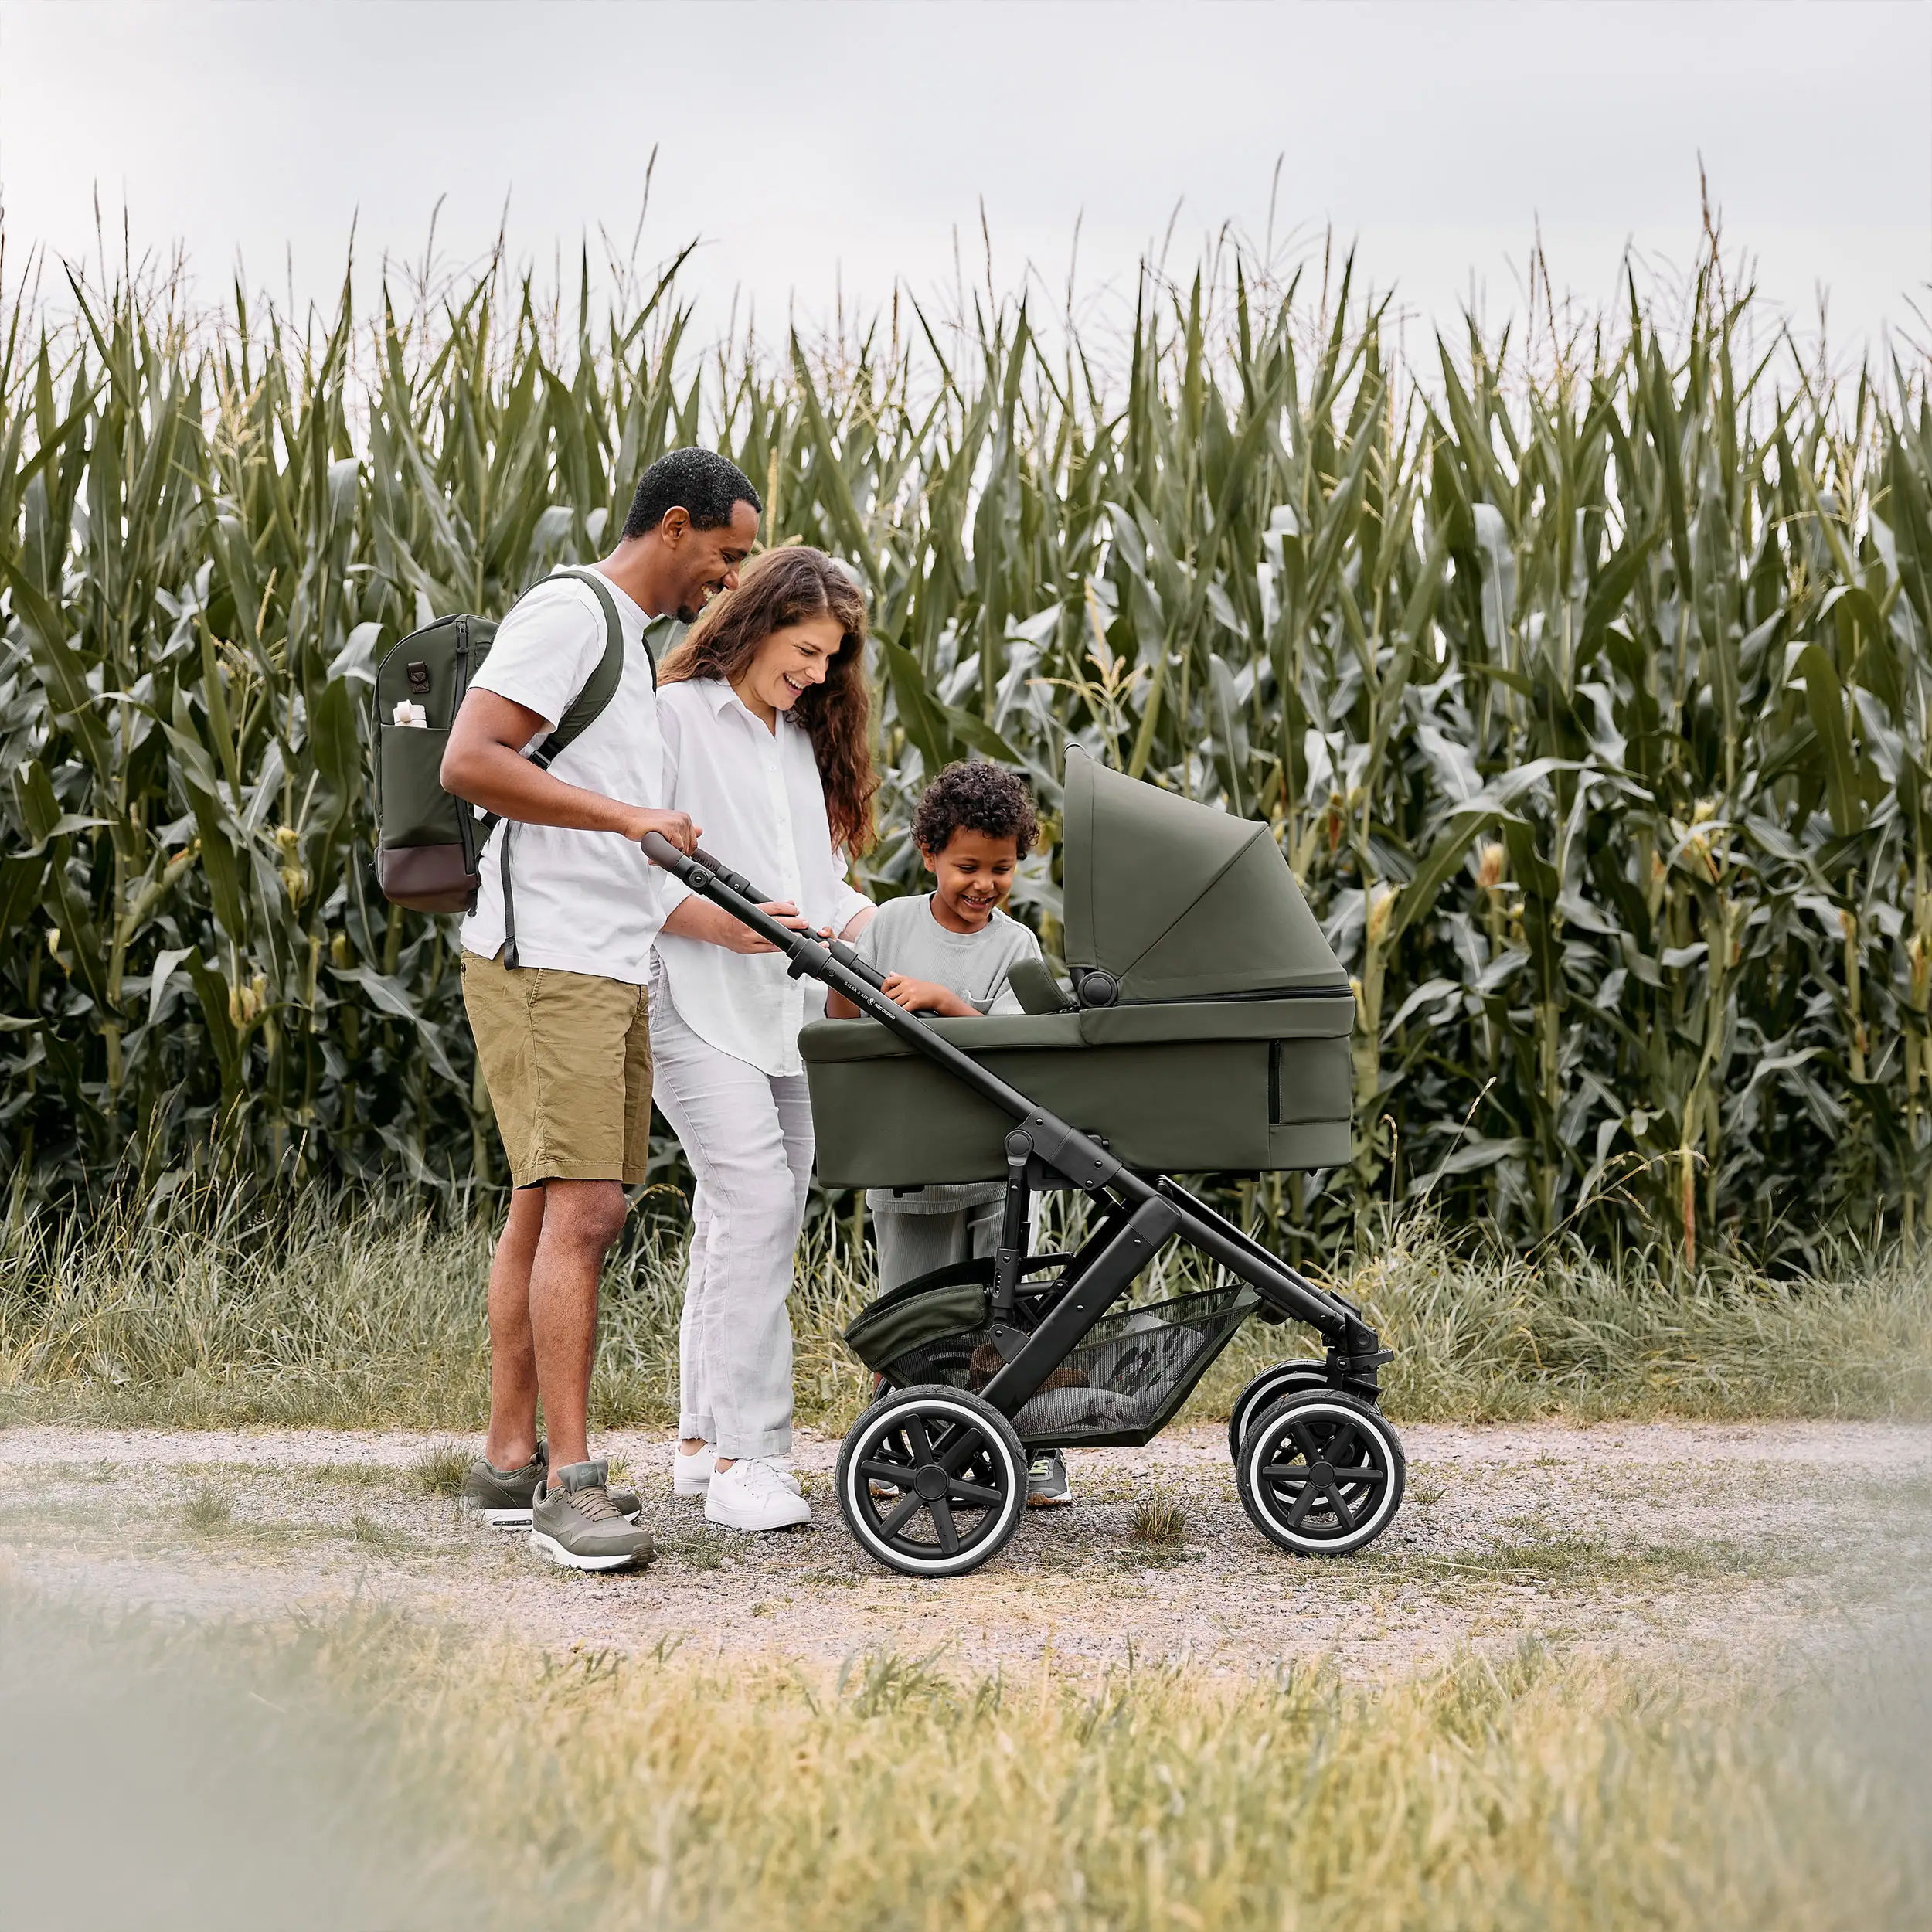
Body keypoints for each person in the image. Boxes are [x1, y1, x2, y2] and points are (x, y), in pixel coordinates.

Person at [441, 447, 763, 1571]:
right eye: (725, 555)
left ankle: (506, 1460)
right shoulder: (572, 611)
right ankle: (572, 1491)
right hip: (549, 965)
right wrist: (627, 814)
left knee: (545, 1212)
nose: (727, 581)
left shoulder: (623, 647)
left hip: (606, 960)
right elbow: (470, 761)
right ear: (673, 526)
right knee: (584, 1215)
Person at [649, 546, 879, 1532]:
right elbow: (620, 857)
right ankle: (753, 1457)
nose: (820, 675)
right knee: (757, 1205)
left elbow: (826, 897)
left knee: (741, 1216)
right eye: (808, 650)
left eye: (833, 659)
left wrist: (913, 936)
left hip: (785, 1013)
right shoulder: (670, 720)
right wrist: (717, 923)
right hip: (694, 997)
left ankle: (702, 1442)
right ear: (757, 622)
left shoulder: (797, 739)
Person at [827, 760, 1073, 1509]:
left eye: (1001, 869)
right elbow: (841, 1024)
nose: (983, 884)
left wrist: (940, 999)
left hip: (998, 1166)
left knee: (1004, 1315)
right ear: (929, 853)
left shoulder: (1015, 949)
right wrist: (843, 977)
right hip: (908, 1162)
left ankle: (1027, 1449)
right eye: (967, 865)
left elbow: (1014, 1046)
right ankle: (903, 1439)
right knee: (911, 1312)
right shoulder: (891, 925)